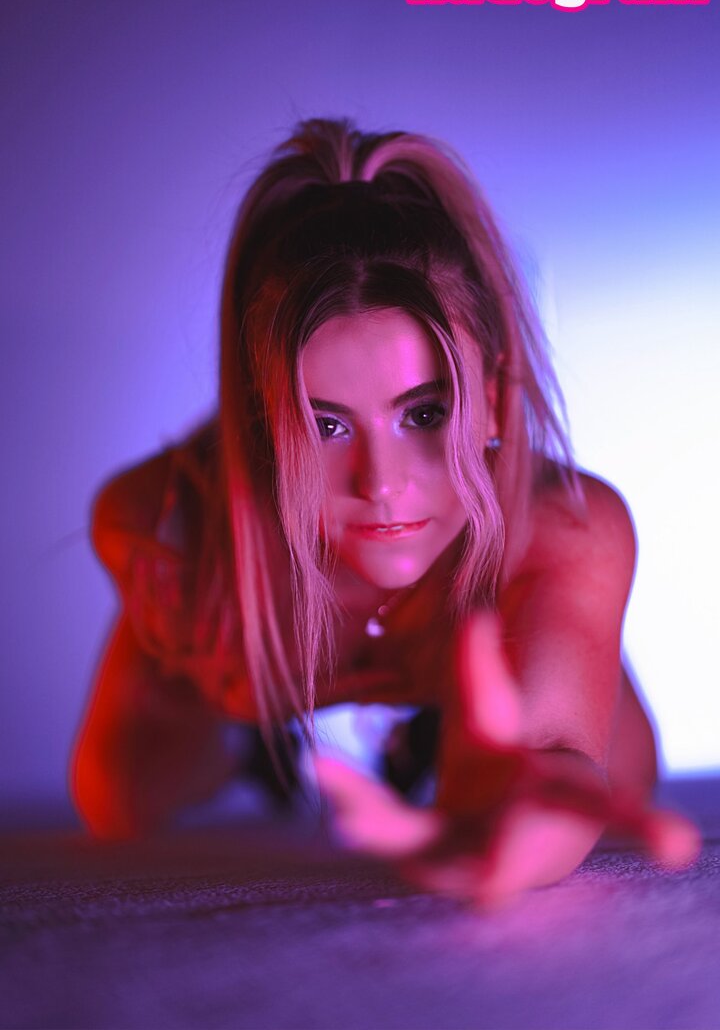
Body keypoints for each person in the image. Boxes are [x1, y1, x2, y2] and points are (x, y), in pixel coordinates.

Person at [70, 117, 699, 905]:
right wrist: (231, 682)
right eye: (325, 425)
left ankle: (497, 690)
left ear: (495, 393)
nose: (383, 484)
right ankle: (263, 743)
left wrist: (520, 818)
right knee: (118, 797)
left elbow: (549, 761)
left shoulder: (567, 527)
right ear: (263, 421)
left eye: (425, 413)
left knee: (620, 770)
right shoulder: (163, 528)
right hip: (230, 629)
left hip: (511, 648)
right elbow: (116, 801)